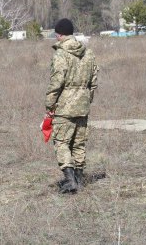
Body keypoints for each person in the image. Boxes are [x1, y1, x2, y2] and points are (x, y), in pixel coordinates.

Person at [45, 18, 98, 194]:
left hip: (65, 106)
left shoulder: (61, 54)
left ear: (59, 34)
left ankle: (70, 180)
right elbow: (94, 81)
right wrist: (86, 98)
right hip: (83, 105)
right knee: (79, 144)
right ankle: (79, 178)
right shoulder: (88, 53)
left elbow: (56, 82)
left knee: (61, 142)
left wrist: (50, 104)